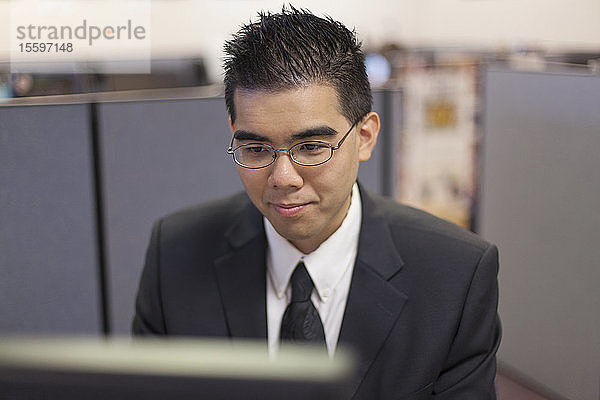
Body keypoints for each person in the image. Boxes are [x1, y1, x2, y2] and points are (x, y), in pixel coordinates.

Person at [132, 7, 500, 399]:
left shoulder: (454, 275)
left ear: (365, 136)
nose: (283, 178)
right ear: (234, 135)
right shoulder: (175, 254)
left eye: (310, 147)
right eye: (256, 148)